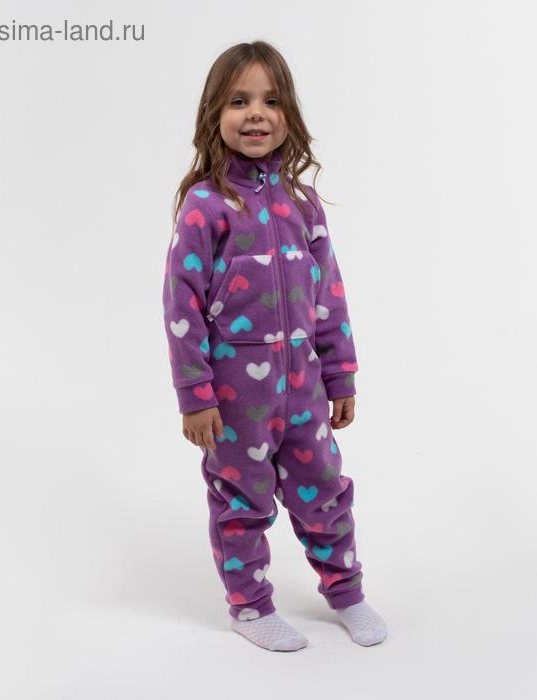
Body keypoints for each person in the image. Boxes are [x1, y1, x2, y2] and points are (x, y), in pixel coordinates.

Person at [162, 40, 387, 652]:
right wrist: (195, 394)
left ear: (289, 113)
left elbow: (329, 295)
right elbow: (181, 305)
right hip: (236, 400)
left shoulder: (303, 205)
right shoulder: (206, 206)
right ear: (214, 114)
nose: (256, 113)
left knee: (327, 492)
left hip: (304, 392)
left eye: (270, 100)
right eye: (239, 101)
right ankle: (250, 608)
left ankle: (347, 592)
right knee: (241, 503)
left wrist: (340, 376)